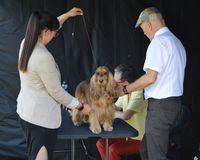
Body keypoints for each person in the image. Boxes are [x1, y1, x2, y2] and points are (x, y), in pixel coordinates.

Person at [17, 7, 91, 160]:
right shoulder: (43, 57)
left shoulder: (26, 43)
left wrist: (67, 15)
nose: (55, 35)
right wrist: (81, 106)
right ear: (45, 32)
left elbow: (50, 25)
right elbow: (56, 92)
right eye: (55, 33)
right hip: (41, 119)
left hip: (27, 113)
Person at [120, 7, 187, 160]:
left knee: (156, 155)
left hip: (161, 107)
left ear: (149, 25)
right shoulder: (176, 42)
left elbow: (150, 77)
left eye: (143, 29)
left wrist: (126, 90)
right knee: (146, 150)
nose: (144, 33)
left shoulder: (159, 42)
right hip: (172, 106)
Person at [96, 64, 148, 160]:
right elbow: (116, 107)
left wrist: (108, 112)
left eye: (116, 82)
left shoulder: (139, 92)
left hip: (141, 139)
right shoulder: (125, 91)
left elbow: (125, 115)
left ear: (125, 82)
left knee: (113, 150)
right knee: (101, 143)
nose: (113, 84)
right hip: (127, 135)